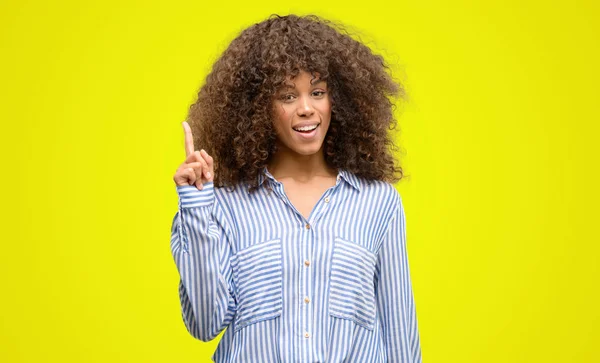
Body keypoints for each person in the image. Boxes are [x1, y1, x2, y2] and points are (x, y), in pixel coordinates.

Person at [170, 14, 422, 362]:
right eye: (288, 96)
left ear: (339, 101)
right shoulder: (222, 205)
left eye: (317, 92)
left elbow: (400, 334)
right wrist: (197, 207)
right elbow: (203, 324)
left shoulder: (378, 203)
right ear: (259, 109)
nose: (306, 108)